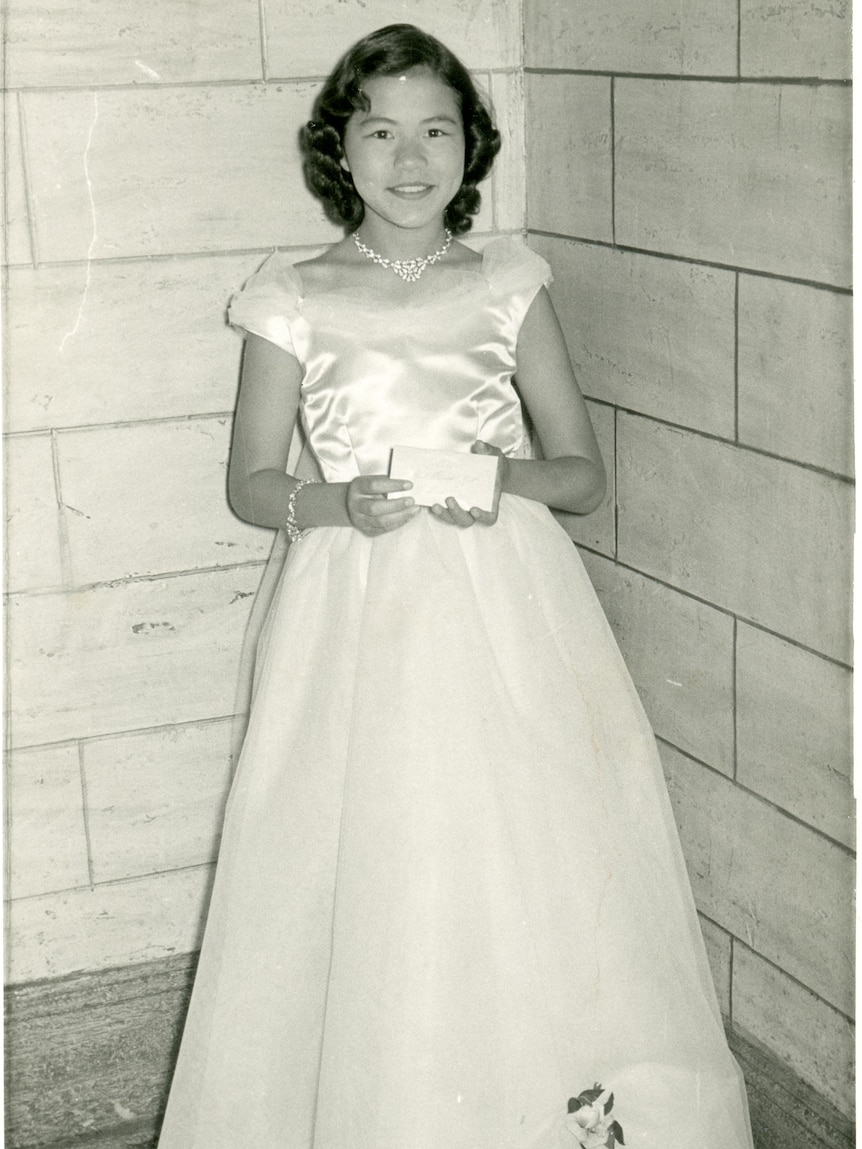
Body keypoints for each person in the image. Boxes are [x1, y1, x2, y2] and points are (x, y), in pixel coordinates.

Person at [157, 24, 754, 1149]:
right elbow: (248, 483)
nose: (409, 156)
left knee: (526, 843)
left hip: (507, 602)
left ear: (470, 147)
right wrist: (336, 505)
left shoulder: (509, 283)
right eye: (379, 130)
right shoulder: (292, 293)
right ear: (341, 148)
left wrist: (497, 476)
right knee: (373, 849)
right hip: (355, 609)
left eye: (435, 129)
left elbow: (580, 477)